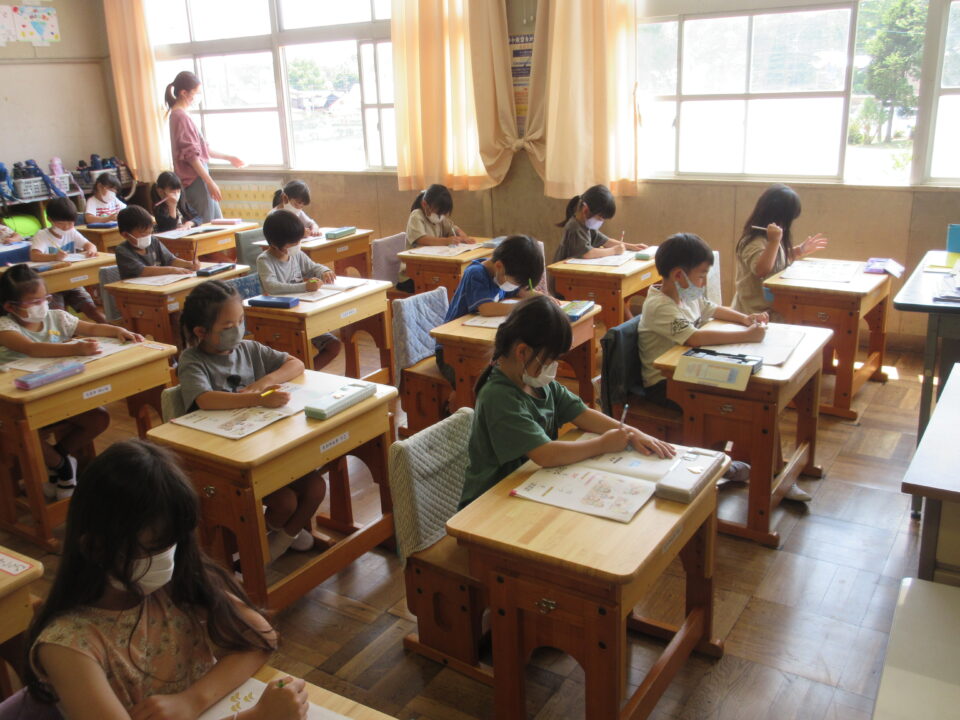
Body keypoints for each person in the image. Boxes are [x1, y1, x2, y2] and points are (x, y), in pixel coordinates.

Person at [16, 438, 309, 720]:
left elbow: (260, 636)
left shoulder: (171, 584)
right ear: (96, 547)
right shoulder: (68, 646)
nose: (169, 557)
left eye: (175, 542)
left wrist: (193, 700)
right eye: (155, 547)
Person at [636, 232, 810, 501]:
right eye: (701, 275)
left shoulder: (688, 294)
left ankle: (767, 472)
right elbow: (694, 337)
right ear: (679, 275)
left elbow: (711, 309)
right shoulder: (660, 305)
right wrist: (746, 335)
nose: (704, 282)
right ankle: (741, 470)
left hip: (688, 373)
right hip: (665, 384)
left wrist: (745, 319)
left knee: (761, 400)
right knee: (752, 404)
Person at [459, 295, 674, 508]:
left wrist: (631, 432)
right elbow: (545, 454)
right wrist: (602, 444)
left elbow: (581, 413)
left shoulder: (537, 382)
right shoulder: (498, 396)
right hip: (490, 501)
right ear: (522, 351)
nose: (554, 367)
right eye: (548, 360)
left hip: (528, 485)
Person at [178, 280, 328, 560]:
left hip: (266, 446)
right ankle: (256, 546)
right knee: (285, 502)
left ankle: (280, 538)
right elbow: (205, 399)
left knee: (316, 487)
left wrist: (265, 382)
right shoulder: (192, 360)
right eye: (228, 326)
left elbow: (296, 364)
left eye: (241, 320)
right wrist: (257, 399)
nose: (238, 329)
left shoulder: (249, 349)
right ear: (201, 332)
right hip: (229, 456)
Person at [0, 265, 141, 498]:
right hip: (16, 405)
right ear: (9, 307)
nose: (42, 305)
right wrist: (75, 348)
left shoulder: (56, 317)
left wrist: (116, 330)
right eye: (33, 302)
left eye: (44, 299)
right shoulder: (5, 327)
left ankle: (57, 459)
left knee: (99, 418)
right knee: (25, 434)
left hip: (55, 393)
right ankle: (62, 466)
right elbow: (31, 348)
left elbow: (91, 327)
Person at [436, 234, 544, 388]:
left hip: (476, 346)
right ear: (499, 266)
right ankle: (460, 398)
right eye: (515, 282)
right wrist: (524, 306)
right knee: (485, 383)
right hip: (450, 351)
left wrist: (540, 297)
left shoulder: (502, 276)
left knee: (508, 373)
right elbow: (487, 308)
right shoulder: (476, 273)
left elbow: (520, 291)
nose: (515, 286)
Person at [257, 211, 342, 370]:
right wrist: (304, 286)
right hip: (282, 319)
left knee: (333, 346)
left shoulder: (296, 254)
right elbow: (272, 287)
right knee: (297, 354)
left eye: (298, 241)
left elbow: (313, 267)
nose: (297, 245)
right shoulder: (265, 260)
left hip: (301, 315)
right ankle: (298, 373)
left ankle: (305, 373)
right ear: (275, 244)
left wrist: (324, 271)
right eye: (292, 243)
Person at [732, 183, 829, 319]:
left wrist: (799, 251)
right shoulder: (754, 241)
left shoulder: (773, 239)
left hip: (774, 308)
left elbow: (776, 263)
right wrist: (774, 242)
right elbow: (761, 270)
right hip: (755, 313)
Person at [164, 71, 246, 223]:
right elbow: (191, 156)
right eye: (196, 93)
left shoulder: (183, 115)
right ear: (184, 93)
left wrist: (228, 158)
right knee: (206, 223)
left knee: (217, 222)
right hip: (195, 180)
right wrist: (209, 182)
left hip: (200, 178)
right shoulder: (179, 116)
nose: (198, 97)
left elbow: (203, 149)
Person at [550, 185, 647, 306]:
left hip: (577, 278)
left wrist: (631, 246)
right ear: (586, 210)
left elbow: (605, 241)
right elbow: (587, 253)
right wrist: (613, 251)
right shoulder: (574, 227)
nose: (601, 222)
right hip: (564, 281)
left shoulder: (586, 225)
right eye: (601, 218)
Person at [29, 197, 106, 323]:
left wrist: (91, 250)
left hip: (71, 281)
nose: (66, 227)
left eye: (70, 223)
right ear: (50, 220)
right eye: (61, 224)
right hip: (52, 285)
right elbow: (35, 256)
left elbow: (89, 245)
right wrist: (54, 257)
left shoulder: (71, 232)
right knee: (60, 317)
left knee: (91, 309)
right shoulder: (42, 235)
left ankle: (110, 328)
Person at [398, 184, 475, 293]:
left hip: (431, 269)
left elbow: (453, 228)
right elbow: (421, 239)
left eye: (443, 214)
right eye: (438, 213)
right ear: (425, 204)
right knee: (451, 286)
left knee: (458, 282)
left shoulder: (439, 217)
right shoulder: (416, 215)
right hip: (411, 276)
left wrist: (463, 237)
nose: (440, 217)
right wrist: (446, 241)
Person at [114, 206, 199, 279]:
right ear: (126, 235)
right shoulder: (122, 250)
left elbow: (170, 260)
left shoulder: (153, 241)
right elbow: (142, 271)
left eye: (150, 233)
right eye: (143, 234)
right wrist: (172, 270)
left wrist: (189, 264)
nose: (148, 237)